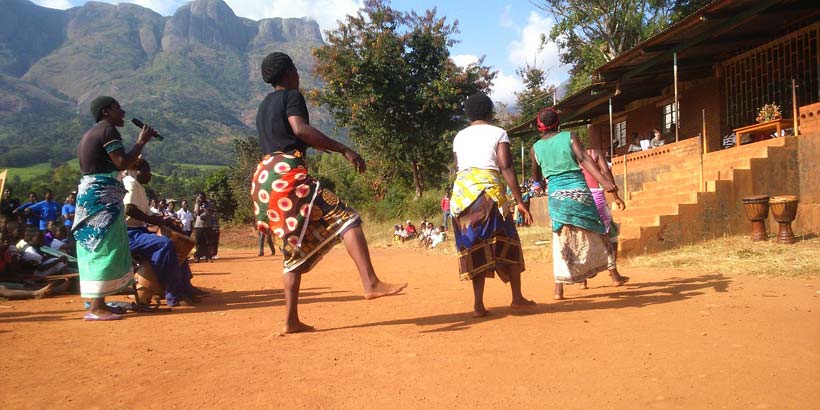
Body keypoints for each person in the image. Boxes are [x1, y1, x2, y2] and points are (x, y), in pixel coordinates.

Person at [253, 51, 406, 333]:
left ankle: (291, 321)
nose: (298, 74)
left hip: (265, 180)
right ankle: (370, 282)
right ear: (287, 73)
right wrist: (344, 149)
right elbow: (300, 130)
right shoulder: (291, 96)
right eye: (296, 69)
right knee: (347, 218)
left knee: (293, 248)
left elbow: (288, 137)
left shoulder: (264, 106)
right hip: (287, 173)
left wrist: (320, 147)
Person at [529, 107, 629, 300]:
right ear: (558, 123)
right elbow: (583, 159)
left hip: (556, 197)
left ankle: (559, 289)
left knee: (560, 238)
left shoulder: (535, 148)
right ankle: (613, 274)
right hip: (579, 193)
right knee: (598, 231)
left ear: (540, 126)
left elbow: (536, 176)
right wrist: (605, 182)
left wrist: (539, 183)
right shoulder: (569, 136)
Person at [450, 92, 535, 318]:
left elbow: (459, 166)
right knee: (510, 243)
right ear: (490, 112)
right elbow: (505, 166)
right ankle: (517, 298)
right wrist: (519, 201)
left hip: (462, 197)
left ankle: (478, 304)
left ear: (468, 115)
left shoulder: (459, 136)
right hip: (488, 196)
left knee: (474, 247)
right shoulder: (498, 132)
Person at [73, 95, 157, 320]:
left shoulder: (93, 133)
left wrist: (131, 159)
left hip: (94, 194)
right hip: (102, 198)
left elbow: (114, 163)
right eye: (118, 108)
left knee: (96, 244)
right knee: (104, 245)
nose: (123, 112)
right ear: (106, 111)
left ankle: (99, 302)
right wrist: (141, 141)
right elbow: (121, 163)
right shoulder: (108, 131)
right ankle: (96, 308)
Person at [122, 159, 198, 307]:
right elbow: (129, 209)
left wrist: (167, 220)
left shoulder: (139, 188)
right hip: (129, 234)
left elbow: (149, 214)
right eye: (147, 172)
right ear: (138, 170)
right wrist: (159, 222)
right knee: (165, 245)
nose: (150, 176)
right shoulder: (130, 183)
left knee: (177, 245)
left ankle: (185, 288)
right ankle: (173, 295)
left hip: (139, 231)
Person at [579, 148, 627, 289]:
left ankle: (582, 280)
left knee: (584, 237)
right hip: (595, 196)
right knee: (610, 235)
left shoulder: (569, 155)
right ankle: (614, 274)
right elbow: (606, 172)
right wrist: (616, 197)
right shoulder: (594, 153)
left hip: (578, 197)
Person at [192, 192, 211, 263]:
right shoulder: (197, 204)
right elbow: (197, 213)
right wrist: (199, 205)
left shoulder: (209, 204)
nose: (201, 199)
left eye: (202, 197)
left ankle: (208, 257)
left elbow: (209, 213)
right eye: (199, 197)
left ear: (205, 197)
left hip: (207, 225)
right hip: (198, 225)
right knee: (198, 242)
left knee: (207, 242)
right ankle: (197, 257)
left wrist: (204, 209)